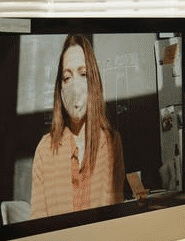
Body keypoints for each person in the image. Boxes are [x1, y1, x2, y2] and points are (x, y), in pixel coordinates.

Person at [30, 34, 125, 217]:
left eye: (83, 74)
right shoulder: (44, 150)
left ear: (94, 82)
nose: (75, 86)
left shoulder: (111, 143)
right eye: (67, 77)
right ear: (60, 88)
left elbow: (112, 218)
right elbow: (38, 224)